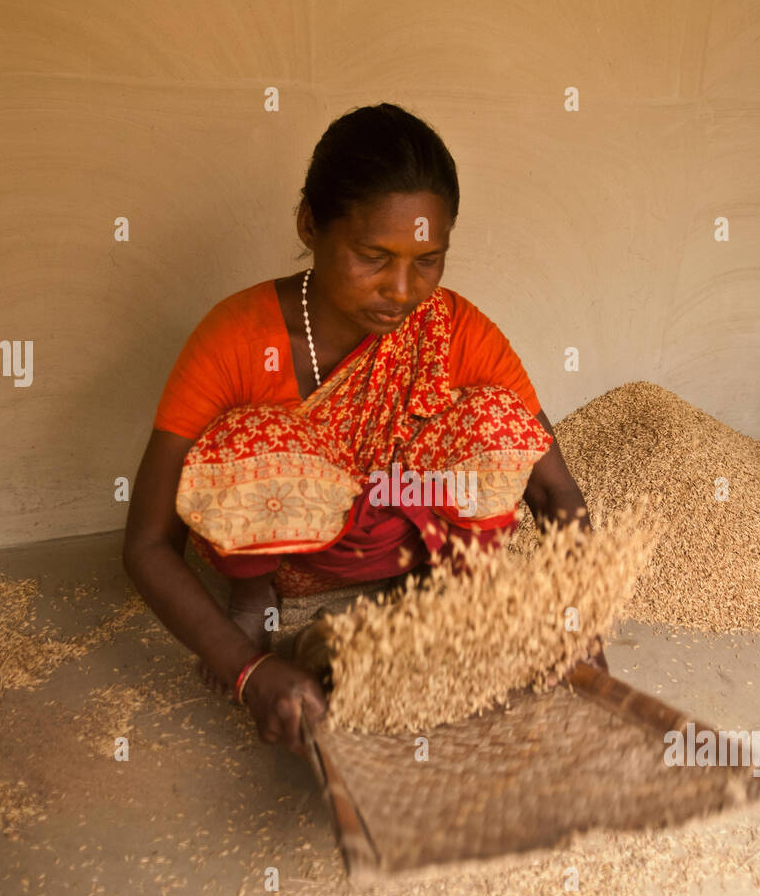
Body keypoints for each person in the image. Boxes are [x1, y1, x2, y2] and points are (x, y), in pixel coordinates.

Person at [123, 103, 603, 757]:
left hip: (406, 540)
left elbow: (555, 493)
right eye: (372, 256)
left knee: (497, 420)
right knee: (255, 439)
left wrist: (581, 627)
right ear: (310, 223)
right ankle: (252, 599)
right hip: (292, 559)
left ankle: (448, 594)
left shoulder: (452, 327)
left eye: (428, 260)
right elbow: (148, 543)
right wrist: (248, 669)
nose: (402, 290)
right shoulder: (236, 337)